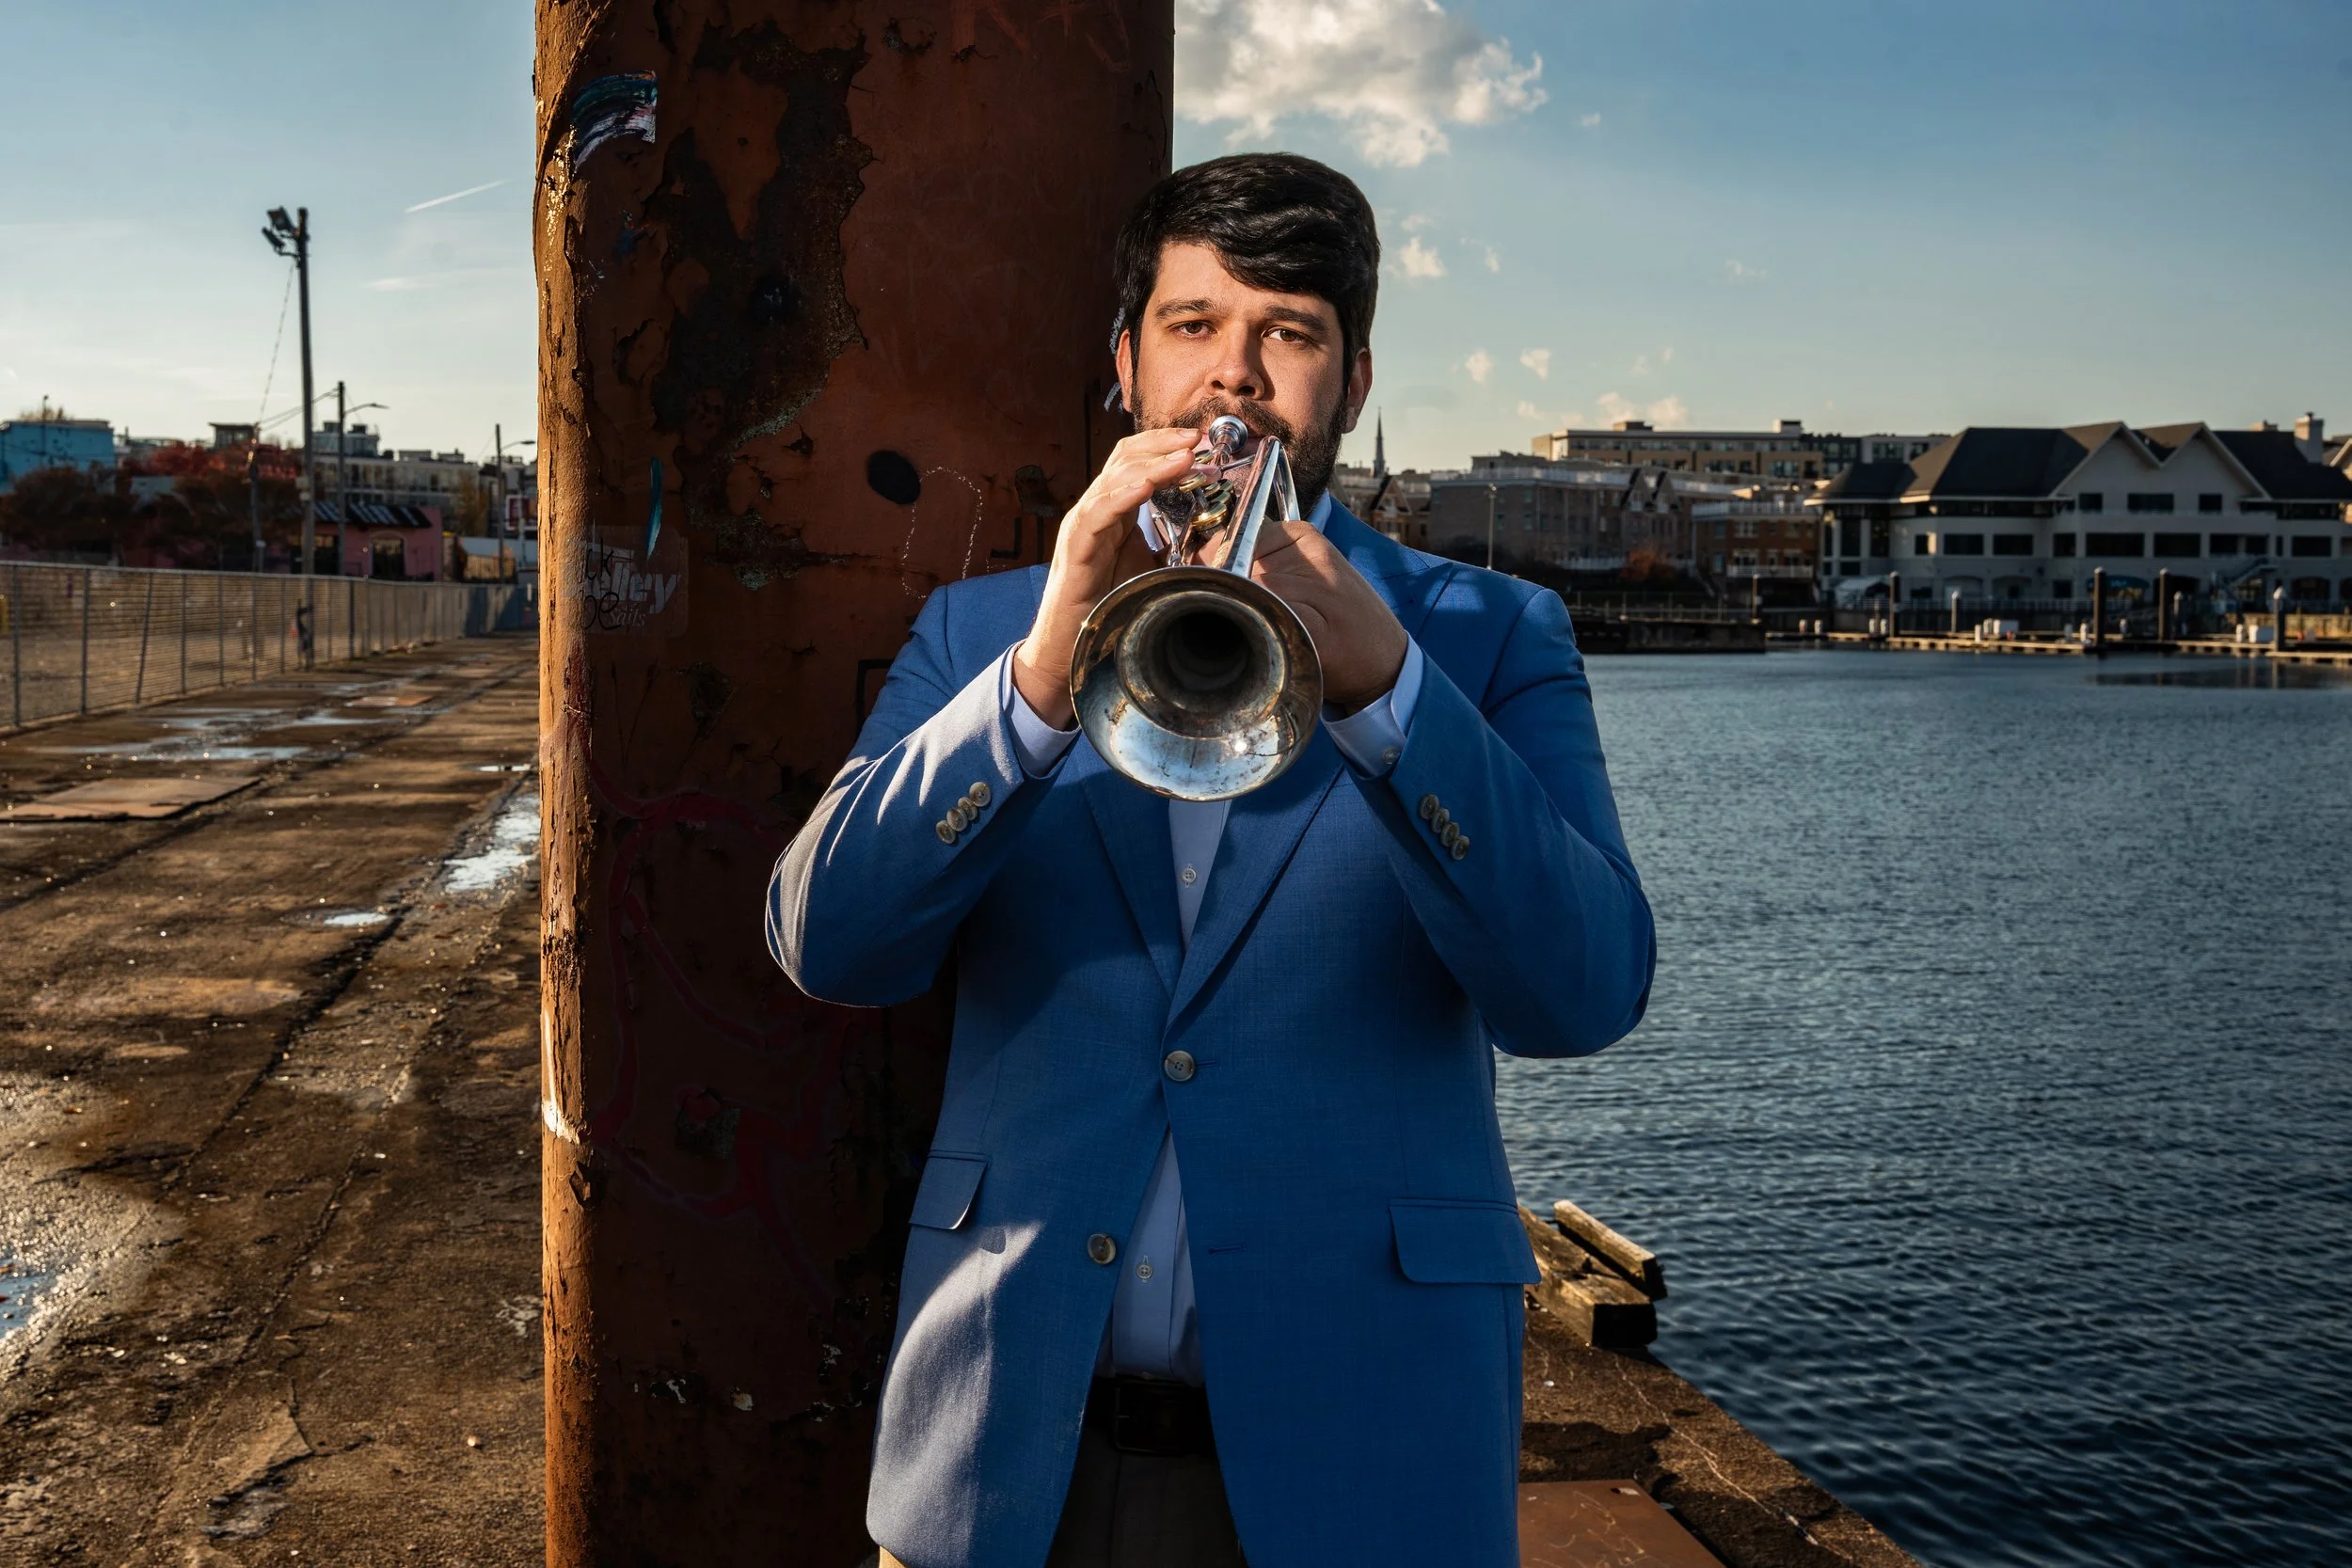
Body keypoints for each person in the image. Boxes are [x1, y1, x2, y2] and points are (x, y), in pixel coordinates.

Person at [767, 152, 1654, 1568]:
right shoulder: (982, 628)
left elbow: (1588, 989)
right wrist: (1044, 676)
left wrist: (1394, 698)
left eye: (1289, 334)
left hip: (1369, 1477)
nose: (1234, 379)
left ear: (1351, 385)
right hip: (1002, 1462)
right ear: (1125, 365)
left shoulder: (1490, 636)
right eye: (1191, 327)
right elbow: (827, 937)